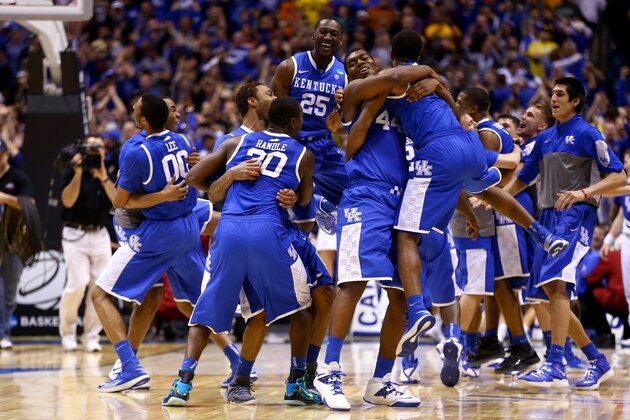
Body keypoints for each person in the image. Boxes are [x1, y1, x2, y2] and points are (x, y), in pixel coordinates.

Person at [340, 29, 568, 359]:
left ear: (388, 57)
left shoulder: (388, 81)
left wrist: (348, 148)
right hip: (466, 147)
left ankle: (418, 310)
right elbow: (448, 99)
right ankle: (541, 233)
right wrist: (436, 78)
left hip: (434, 156)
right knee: (486, 189)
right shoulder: (431, 81)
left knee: (405, 237)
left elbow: (364, 113)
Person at [162, 96, 315, 406]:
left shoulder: (236, 143)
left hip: (228, 231)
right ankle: (285, 382)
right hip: (267, 233)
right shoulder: (303, 154)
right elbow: (304, 201)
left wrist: (230, 175)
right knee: (301, 308)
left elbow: (195, 180)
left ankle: (182, 384)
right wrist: (293, 194)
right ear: (296, 123)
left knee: (204, 313)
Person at [107, 97, 246, 390]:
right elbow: (124, 202)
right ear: (160, 117)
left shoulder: (180, 143)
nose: (178, 112)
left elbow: (187, 189)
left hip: (166, 223)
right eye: (171, 109)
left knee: (177, 300)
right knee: (169, 300)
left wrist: (195, 169)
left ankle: (128, 364)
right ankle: (128, 362)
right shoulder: (158, 145)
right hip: (145, 223)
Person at [313, 49, 420, 411]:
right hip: (365, 196)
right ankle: (327, 370)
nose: (358, 61)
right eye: (351, 61)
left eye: (364, 57)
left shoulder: (400, 95)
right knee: (353, 283)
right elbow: (350, 148)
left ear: (378, 62)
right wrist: (376, 96)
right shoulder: (355, 93)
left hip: (400, 198)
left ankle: (382, 381)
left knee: (401, 296)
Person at [505, 77, 626, 389]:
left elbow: (619, 175)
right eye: (553, 93)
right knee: (550, 292)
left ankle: (556, 363)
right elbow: (522, 180)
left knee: (557, 286)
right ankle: (596, 361)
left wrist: (584, 192)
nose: (554, 98)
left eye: (560, 94)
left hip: (575, 217)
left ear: (575, 101)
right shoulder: (545, 139)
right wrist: (493, 199)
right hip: (547, 217)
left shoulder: (586, 132)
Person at [92, 93, 202, 392]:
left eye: (135, 109)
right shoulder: (182, 141)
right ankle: (238, 361)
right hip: (188, 227)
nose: (130, 109)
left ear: (143, 120)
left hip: (159, 231)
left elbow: (120, 202)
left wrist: (161, 196)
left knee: (100, 296)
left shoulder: (136, 151)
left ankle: (129, 366)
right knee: (191, 303)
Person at [456, 87, 539, 373]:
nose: (455, 105)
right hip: (498, 215)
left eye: (460, 102)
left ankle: (521, 346)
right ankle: (494, 340)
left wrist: (494, 192)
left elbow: (503, 169)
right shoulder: (487, 131)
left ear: (475, 110)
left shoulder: (487, 133)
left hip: (504, 216)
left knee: (503, 284)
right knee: (496, 284)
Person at [271, 18, 349, 227]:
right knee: (283, 201)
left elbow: (347, 125)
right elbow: (273, 114)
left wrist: (339, 124)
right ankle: (316, 203)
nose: (327, 37)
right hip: (292, 144)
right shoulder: (290, 67)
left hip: (323, 143)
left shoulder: (345, 76)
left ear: (341, 40)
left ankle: (326, 206)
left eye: (333, 34)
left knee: (354, 188)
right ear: (313, 36)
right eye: (323, 32)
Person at [58, 135, 114, 352]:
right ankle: (68, 332)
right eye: (91, 146)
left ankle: (92, 336)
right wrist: (79, 173)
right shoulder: (71, 172)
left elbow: (117, 202)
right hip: (74, 233)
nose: (94, 150)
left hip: (99, 234)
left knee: (100, 288)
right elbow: (67, 201)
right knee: (77, 283)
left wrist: (103, 177)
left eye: (98, 147)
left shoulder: (106, 174)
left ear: (103, 151)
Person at [0, 138, 35, 349]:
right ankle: (2, 333)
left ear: (6, 154)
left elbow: (29, 204)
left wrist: (5, 199)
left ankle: (4, 331)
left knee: (10, 291)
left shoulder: (18, 177)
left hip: (14, 241)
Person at [600, 146, 630, 347]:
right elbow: (620, 214)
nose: (625, 164)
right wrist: (609, 239)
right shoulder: (625, 185)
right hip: (627, 237)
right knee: (629, 291)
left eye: (627, 160)